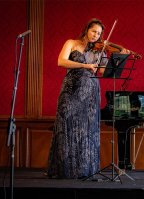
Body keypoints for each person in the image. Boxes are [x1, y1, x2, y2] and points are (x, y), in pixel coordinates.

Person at [47, 18, 129, 179]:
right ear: (86, 30)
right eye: (93, 31)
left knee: (86, 130)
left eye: (99, 34)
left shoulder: (99, 51)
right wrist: (85, 66)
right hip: (71, 88)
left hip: (90, 92)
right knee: (66, 127)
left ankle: (84, 170)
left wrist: (118, 59)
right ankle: (64, 169)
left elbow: (103, 72)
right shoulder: (71, 43)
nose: (96, 36)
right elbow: (61, 61)